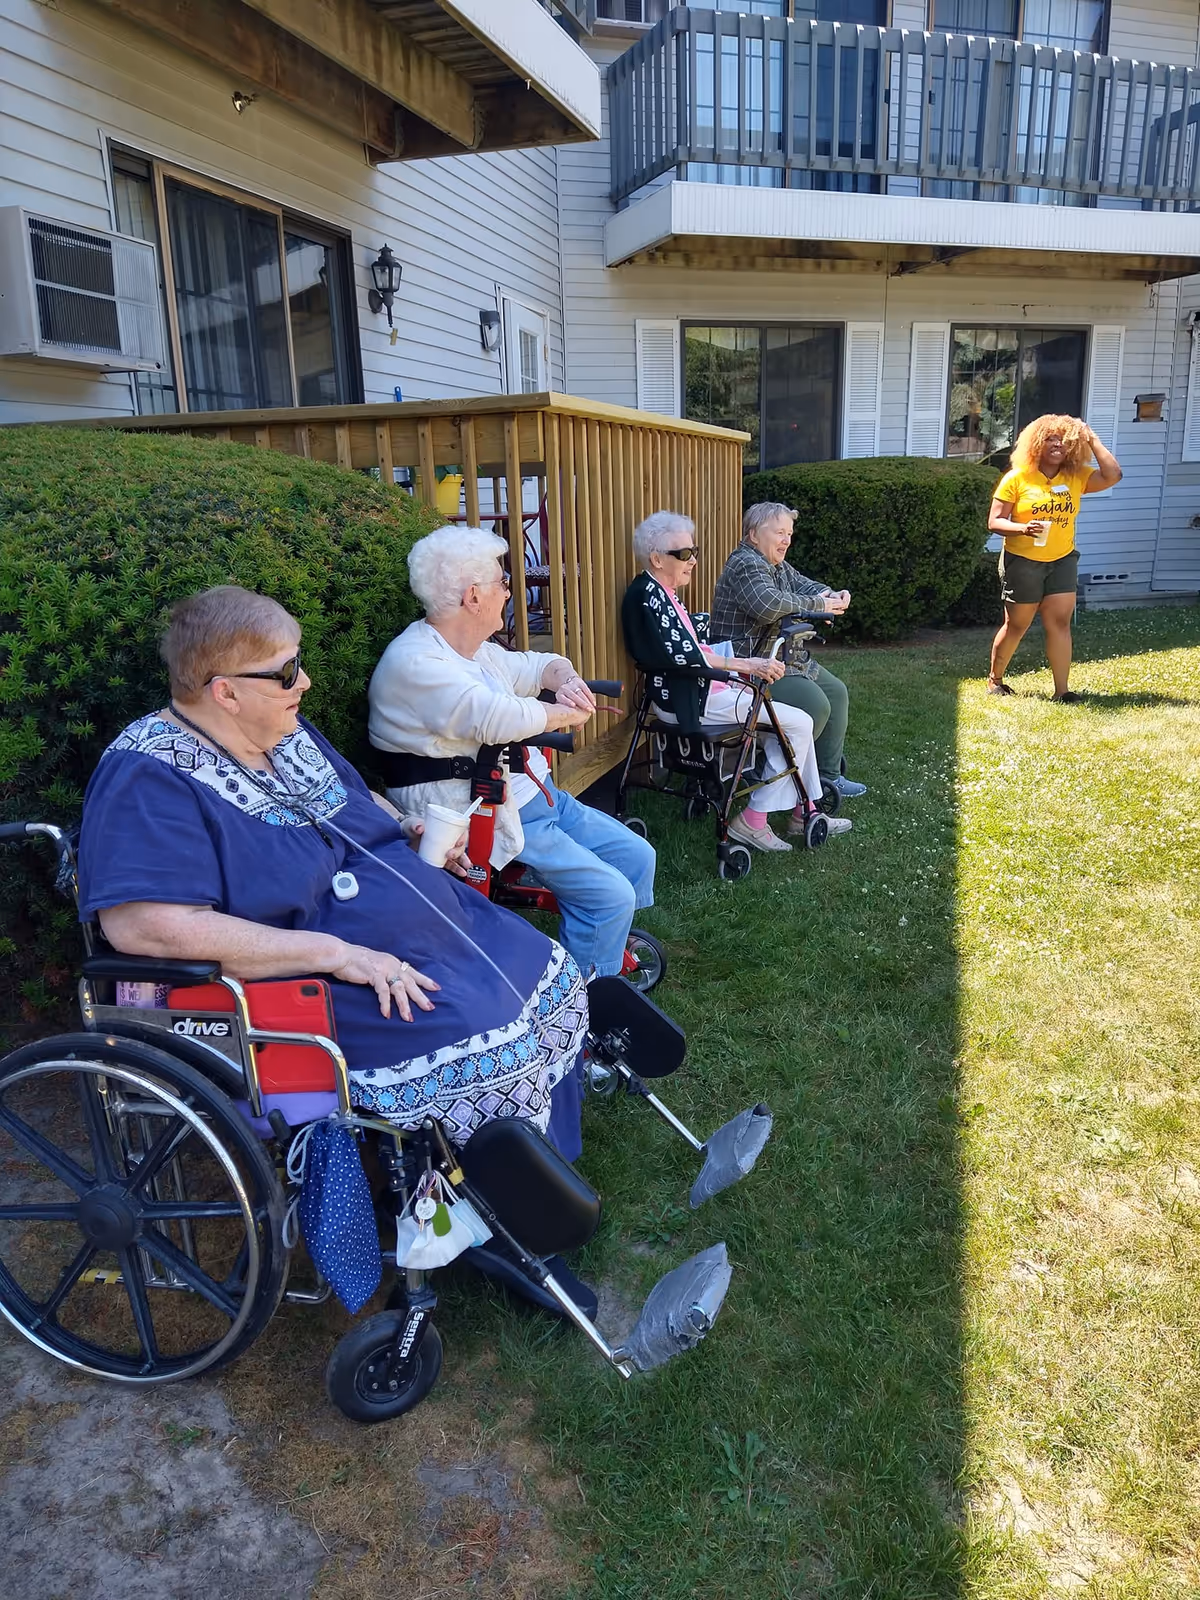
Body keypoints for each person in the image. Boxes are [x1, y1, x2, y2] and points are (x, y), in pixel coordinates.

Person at [77, 585, 591, 1165]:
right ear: (226, 692)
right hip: (304, 980)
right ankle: (489, 1217)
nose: (305, 682)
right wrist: (338, 954)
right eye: (287, 670)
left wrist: (407, 826)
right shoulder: (148, 774)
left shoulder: (283, 732)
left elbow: (354, 798)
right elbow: (147, 928)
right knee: (483, 1031)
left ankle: (537, 1175)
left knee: (545, 967)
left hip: (412, 930)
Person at [368, 526, 656, 980]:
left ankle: (603, 943)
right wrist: (564, 716)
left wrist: (566, 679)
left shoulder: (474, 651)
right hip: (486, 812)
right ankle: (588, 998)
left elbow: (538, 664)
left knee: (638, 857)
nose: (508, 592)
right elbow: (496, 717)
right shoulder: (416, 663)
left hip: (535, 797)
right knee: (610, 895)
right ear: (473, 596)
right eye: (503, 584)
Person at [621, 510, 850, 853]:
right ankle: (755, 819)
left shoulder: (658, 591)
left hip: (697, 691)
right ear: (656, 558)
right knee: (799, 723)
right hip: (690, 699)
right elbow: (686, 654)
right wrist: (750, 665)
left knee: (786, 726)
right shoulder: (649, 595)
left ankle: (806, 810)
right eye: (684, 554)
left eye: (694, 552)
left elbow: (689, 646)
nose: (693, 560)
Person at [711, 502, 866, 802]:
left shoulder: (775, 564)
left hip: (777, 657)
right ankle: (779, 774)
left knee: (836, 692)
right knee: (816, 705)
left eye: (790, 534)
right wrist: (821, 606)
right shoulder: (746, 563)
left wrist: (829, 594)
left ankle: (827, 777)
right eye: (779, 532)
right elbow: (768, 605)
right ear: (754, 534)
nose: (786, 540)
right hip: (747, 666)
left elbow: (803, 584)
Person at [987, 414, 1122, 701]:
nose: (1057, 444)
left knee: (1059, 622)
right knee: (1017, 625)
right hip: (1023, 561)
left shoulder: (1076, 477)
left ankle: (1063, 691)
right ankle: (995, 680)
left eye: (1064, 439)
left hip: (1062, 559)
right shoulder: (1018, 477)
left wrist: (1092, 438)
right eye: (1050, 438)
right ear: (1037, 443)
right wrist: (1023, 527)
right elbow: (995, 522)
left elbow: (1113, 475)